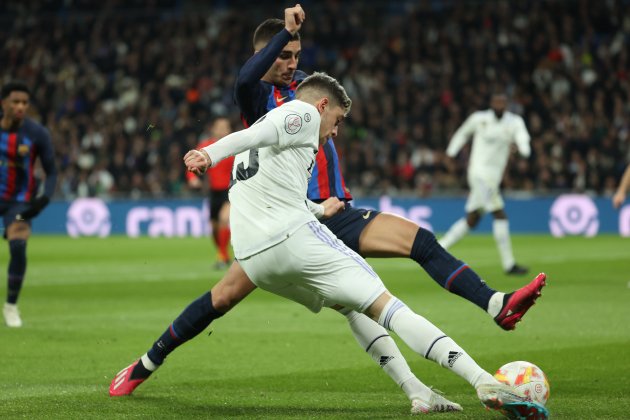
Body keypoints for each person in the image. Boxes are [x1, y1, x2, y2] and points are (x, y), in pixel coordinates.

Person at [109, 6, 547, 413]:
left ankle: (477, 323)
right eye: (282, 56)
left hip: (313, 215)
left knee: (398, 262)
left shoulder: (302, 94)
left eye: (296, 55)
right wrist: (284, 35)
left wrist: (320, 204)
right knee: (239, 298)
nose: (290, 62)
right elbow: (245, 83)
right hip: (297, 224)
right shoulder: (266, 102)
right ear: (265, 57)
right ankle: (147, 363)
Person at [177, 73, 544, 418]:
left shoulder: (280, 146)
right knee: (388, 307)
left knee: (351, 307)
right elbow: (247, 138)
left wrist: (321, 207)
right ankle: (483, 382)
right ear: (322, 105)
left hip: (257, 262)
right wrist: (209, 153)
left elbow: (276, 185)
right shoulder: (302, 112)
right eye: (336, 120)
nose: (336, 131)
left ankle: (418, 391)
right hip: (291, 239)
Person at [439, 92, 531, 275]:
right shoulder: (479, 118)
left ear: (506, 104)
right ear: (491, 103)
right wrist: (450, 153)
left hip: (493, 178)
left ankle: (438, 248)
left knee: (472, 219)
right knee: (500, 214)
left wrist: (521, 151)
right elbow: (462, 134)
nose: (498, 105)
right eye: (495, 101)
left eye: (502, 102)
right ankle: (509, 264)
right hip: (479, 174)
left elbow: (524, 142)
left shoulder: (514, 122)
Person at [0, 81, 57, 327]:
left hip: (20, 204)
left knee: (19, 245)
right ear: (4, 103)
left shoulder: (37, 133)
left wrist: (44, 198)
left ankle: (11, 306)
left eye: (24, 102)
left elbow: (52, 171)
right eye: (15, 102)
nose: (20, 107)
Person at [186, 117, 234, 269]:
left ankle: (221, 257)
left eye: (225, 127)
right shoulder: (206, 146)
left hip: (231, 190)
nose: (222, 130)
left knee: (224, 219)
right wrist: (192, 178)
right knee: (214, 228)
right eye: (219, 127)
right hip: (214, 192)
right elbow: (192, 164)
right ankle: (224, 253)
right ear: (213, 129)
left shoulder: (235, 145)